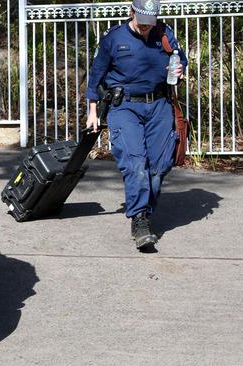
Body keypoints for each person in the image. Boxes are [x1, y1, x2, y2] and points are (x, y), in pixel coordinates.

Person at [86, 0, 187, 251]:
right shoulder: (113, 37)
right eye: (141, 22)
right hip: (125, 107)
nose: (145, 28)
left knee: (159, 164)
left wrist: (180, 68)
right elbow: (96, 73)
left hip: (159, 105)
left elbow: (180, 59)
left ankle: (145, 210)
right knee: (134, 162)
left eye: (149, 23)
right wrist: (92, 110)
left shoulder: (164, 34)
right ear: (131, 13)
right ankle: (140, 219)